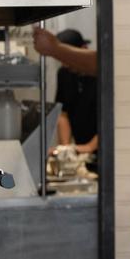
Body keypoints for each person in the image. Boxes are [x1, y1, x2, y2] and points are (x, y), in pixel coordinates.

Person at [35, 29, 99, 163]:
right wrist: (66, 148)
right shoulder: (64, 73)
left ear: (83, 49)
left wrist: (89, 147)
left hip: (104, 147)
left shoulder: (101, 75)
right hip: (81, 147)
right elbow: (63, 114)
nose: (67, 65)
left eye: (69, 59)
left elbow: (113, 120)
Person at [33, 27, 98, 77]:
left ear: (84, 48)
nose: (65, 65)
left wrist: (54, 48)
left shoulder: (97, 73)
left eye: (67, 58)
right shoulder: (63, 73)